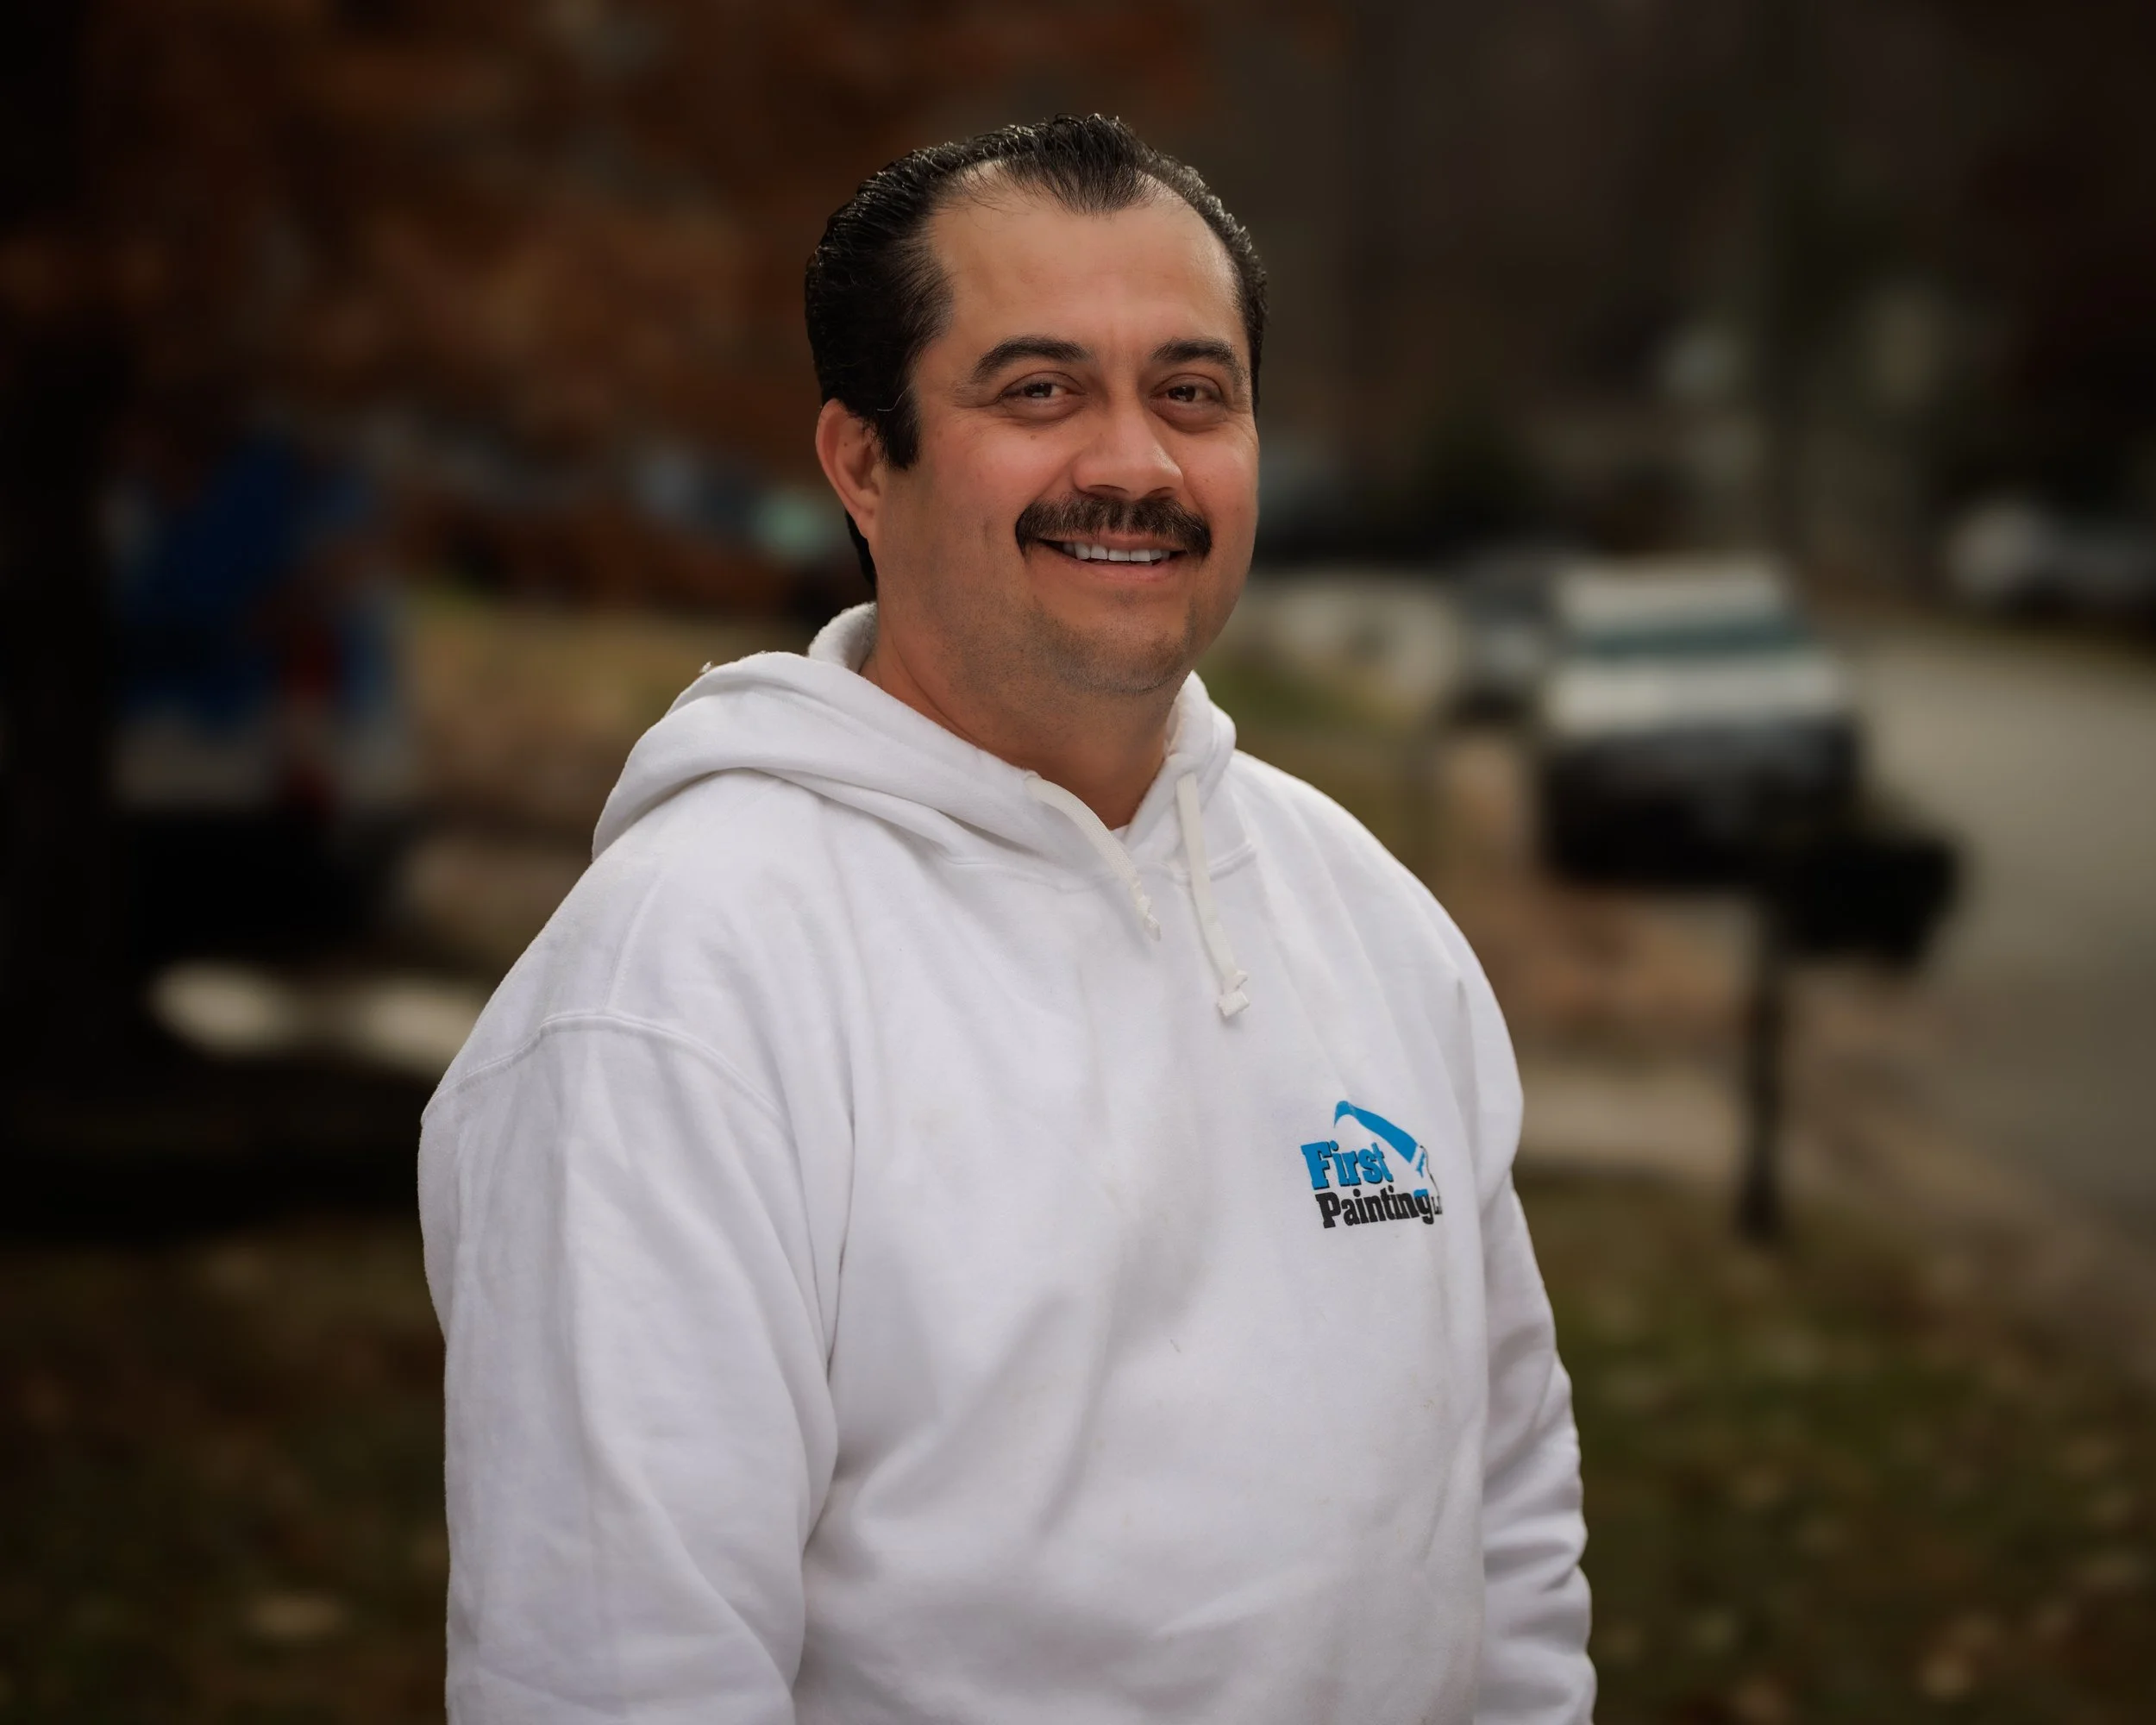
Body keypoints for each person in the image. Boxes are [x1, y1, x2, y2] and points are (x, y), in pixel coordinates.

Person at [420, 115, 1593, 1724]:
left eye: (1194, 394)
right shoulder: (682, 989)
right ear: (861, 461)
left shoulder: (1370, 923)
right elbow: (619, 1672)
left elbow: (1508, 1514)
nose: (1135, 462)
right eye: (1039, 393)